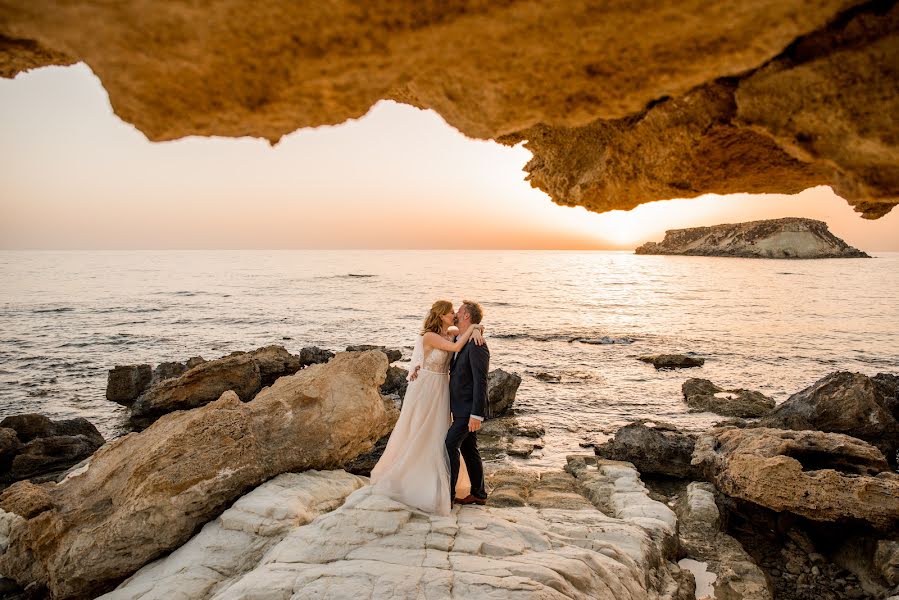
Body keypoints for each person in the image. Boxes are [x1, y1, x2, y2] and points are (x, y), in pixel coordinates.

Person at [370, 300, 484, 516]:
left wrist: (477, 328)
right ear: (441, 315)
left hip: (442, 388)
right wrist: (473, 328)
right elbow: (457, 347)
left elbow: (464, 331)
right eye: (451, 312)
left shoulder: (448, 331)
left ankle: (443, 485)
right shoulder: (430, 336)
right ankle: (417, 481)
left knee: (438, 433)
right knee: (422, 432)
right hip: (428, 387)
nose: (455, 315)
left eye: (456, 312)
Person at [446, 300, 489, 506]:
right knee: (469, 449)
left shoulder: (477, 344)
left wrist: (476, 414)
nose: (456, 312)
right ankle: (479, 494)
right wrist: (477, 328)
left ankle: (448, 496)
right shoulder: (462, 337)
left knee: (449, 445)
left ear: (466, 316)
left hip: (467, 410)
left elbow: (481, 380)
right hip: (460, 407)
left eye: (460, 310)